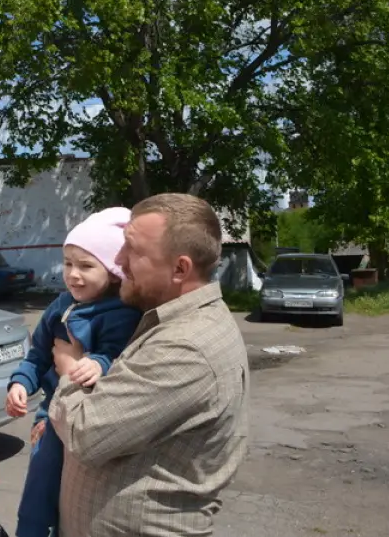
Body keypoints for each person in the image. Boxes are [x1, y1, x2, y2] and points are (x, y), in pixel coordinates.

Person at [49, 193, 249, 537]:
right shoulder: (167, 323)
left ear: (180, 268)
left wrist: (69, 368)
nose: (119, 260)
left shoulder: (186, 347)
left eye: (133, 250)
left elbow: (86, 432)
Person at [4, 208, 143, 537]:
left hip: (93, 416)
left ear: (111, 272)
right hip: (54, 412)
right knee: (41, 483)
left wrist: (99, 363)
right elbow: (38, 353)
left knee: (78, 495)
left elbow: (122, 356)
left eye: (86, 266)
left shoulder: (123, 313)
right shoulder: (60, 304)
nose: (73, 275)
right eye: (67, 264)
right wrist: (21, 383)